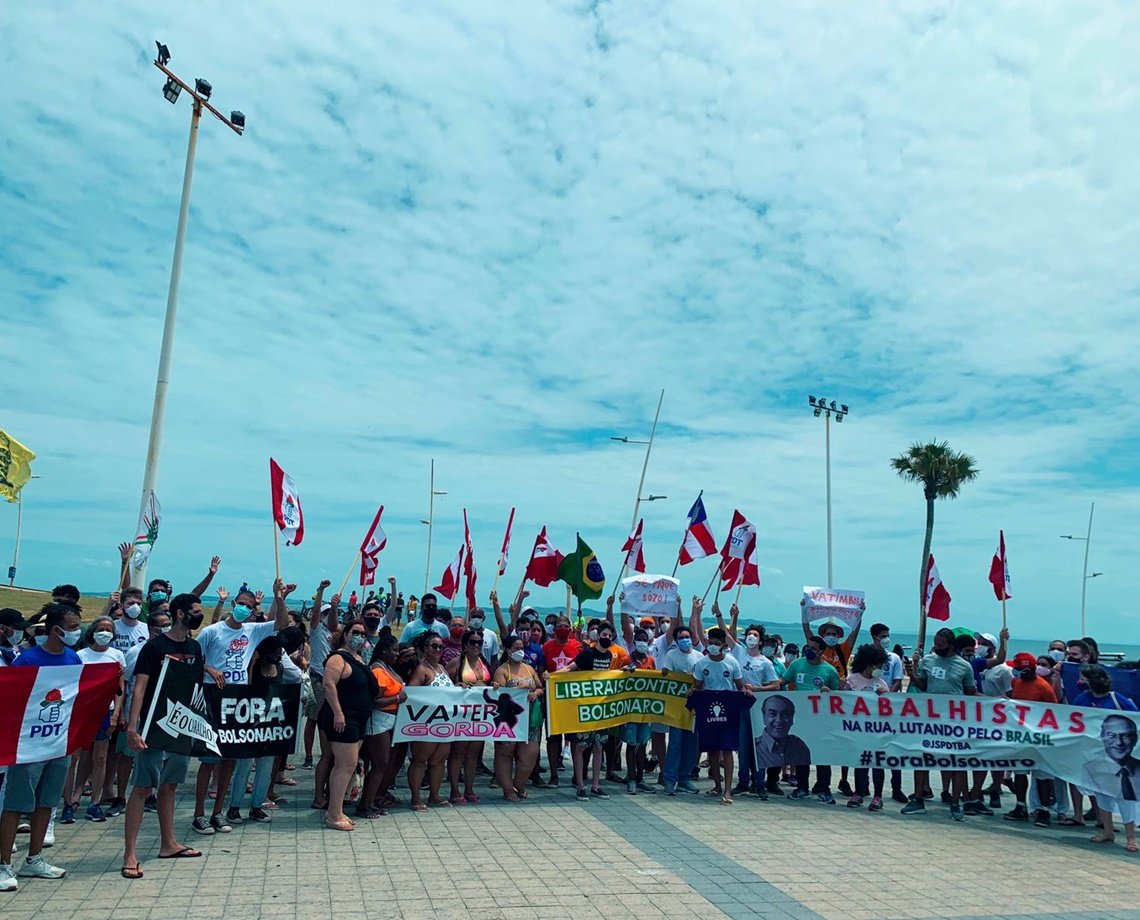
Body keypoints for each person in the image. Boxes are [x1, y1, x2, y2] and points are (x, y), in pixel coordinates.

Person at [190, 579, 292, 835]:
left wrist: (278, 598)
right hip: (214, 699)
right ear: (234, 604)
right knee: (209, 759)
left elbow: (280, 624)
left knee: (230, 760)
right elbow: (193, 659)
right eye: (241, 605)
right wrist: (209, 668)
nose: (244, 610)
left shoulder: (252, 630)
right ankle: (199, 813)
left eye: (249, 606)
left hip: (238, 702)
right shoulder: (212, 632)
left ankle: (218, 813)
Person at [121, 593, 207, 879]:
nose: (199, 614)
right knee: (143, 786)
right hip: (153, 724)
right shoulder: (154, 647)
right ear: (181, 613)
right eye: (195, 610)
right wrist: (133, 727)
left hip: (182, 725)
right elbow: (141, 686)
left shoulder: (195, 647)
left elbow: (193, 685)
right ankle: (130, 853)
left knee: (170, 784)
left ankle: (168, 843)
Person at [1, 604, 83, 891]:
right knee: (16, 804)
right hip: (28, 745)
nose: (77, 631)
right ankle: (3, 863)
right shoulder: (27, 660)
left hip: (57, 744)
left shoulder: (73, 658)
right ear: (56, 629)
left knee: (46, 802)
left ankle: (34, 858)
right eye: (72, 626)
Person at [902, 627, 976, 820]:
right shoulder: (928, 660)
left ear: (951, 646)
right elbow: (923, 686)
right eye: (935, 644)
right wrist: (912, 674)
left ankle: (955, 803)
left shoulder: (964, 666)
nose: (936, 647)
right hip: (930, 719)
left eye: (940, 645)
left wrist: (995, 702)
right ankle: (918, 799)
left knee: (956, 761)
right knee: (923, 756)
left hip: (954, 721)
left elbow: (970, 693)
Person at [63, 617, 125, 824]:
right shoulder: (80, 656)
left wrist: (116, 713)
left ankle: (95, 803)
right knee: (74, 758)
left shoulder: (117, 655)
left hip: (104, 713)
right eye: (101, 629)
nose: (105, 633)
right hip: (80, 713)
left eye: (109, 630)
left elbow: (119, 688)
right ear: (93, 631)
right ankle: (69, 802)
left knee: (101, 758)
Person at [318, 620, 378, 831]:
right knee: (346, 765)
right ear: (345, 634)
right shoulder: (337, 658)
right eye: (355, 632)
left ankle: (337, 809)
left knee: (345, 766)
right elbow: (328, 685)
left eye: (363, 634)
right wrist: (338, 712)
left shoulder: (359, 658)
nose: (360, 637)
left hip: (359, 718)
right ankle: (333, 814)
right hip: (343, 718)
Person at [225, 635, 287, 826]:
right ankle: (234, 806)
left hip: (270, 723)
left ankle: (257, 805)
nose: (278, 656)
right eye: (275, 652)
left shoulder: (280, 668)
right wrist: (251, 664)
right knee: (244, 765)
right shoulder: (254, 665)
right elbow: (247, 688)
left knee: (265, 767)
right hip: (250, 721)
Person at [689, 626, 752, 804]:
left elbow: (739, 685)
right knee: (712, 751)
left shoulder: (732, 662)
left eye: (717, 644)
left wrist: (745, 690)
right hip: (709, 709)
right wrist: (692, 691)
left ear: (724, 645)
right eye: (711, 643)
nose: (713, 646)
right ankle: (717, 784)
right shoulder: (702, 663)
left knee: (728, 748)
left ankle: (727, 790)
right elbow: (698, 686)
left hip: (728, 710)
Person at [565, 620, 621, 801]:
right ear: (597, 636)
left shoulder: (609, 656)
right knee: (581, 746)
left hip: (601, 709)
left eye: (609, 636)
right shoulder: (587, 653)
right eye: (603, 635)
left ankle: (596, 785)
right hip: (585, 707)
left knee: (599, 746)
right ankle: (581, 785)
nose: (606, 638)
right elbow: (571, 668)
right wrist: (553, 675)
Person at [780, 635, 839, 803]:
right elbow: (782, 681)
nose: (809, 651)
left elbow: (838, 698)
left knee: (822, 756)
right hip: (801, 718)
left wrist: (829, 692)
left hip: (821, 721)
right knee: (801, 755)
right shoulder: (797, 665)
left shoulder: (829, 671)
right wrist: (759, 688)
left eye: (813, 648)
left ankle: (824, 789)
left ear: (821, 651)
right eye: (807, 647)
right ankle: (802, 787)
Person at [356, 630, 405, 819]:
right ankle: (365, 805)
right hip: (378, 720)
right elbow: (375, 701)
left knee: (382, 764)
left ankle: (370, 802)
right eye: (394, 650)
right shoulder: (377, 670)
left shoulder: (386, 667)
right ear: (384, 650)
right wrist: (398, 698)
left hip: (389, 720)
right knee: (380, 764)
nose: (397, 654)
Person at [729, 623, 780, 798]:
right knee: (743, 747)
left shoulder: (765, 663)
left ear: (760, 641)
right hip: (741, 707)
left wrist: (758, 689)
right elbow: (729, 634)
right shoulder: (739, 652)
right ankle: (743, 782)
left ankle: (759, 783)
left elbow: (775, 684)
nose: (751, 637)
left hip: (758, 709)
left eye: (755, 635)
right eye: (749, 634)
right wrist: (729, 616)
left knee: (760, 747)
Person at [491, 634, 544, 802]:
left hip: (530, 718)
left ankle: (519, 784)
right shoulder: (502, 671)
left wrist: (535, 692)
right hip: (509, 720)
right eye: (516, 648)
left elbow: (541, 688)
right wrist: (516, 688)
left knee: (530, 754)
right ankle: (508, 789)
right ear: (508, 650)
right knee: (505, 754)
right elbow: (498, 693)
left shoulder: (529, 668)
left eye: (522, 648)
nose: (520, 651)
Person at [406, 632, 453, 811]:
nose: (438, 650)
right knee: (420, 760)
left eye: (441, 647)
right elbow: (412, 692)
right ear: (425, 649)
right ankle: (416, 797)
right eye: (434, 646)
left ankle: (434, 794)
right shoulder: (422, 669)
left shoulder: (442, 668)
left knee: (439, 761)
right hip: (426, 723)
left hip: (444, 723)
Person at [661, 612, 705, 796]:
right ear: (676, 640)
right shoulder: (671, 655)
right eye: (681, 638)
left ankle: (684, 778)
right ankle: (669, 780)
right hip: (676, 708)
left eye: (687, 637)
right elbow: (666, 674)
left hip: (693, 709)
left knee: (690, 744)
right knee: (675, 743)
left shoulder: (699, 657)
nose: (684, 640)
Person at [1082, 710, 1140, 851]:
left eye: (1125, 736)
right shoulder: (1091, 767)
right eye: (1111, 736)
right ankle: (1108, 831)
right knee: (1102, 797)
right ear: (1102, 737)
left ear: (1135, 738)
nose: (1118, 742)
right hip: (1101, 769)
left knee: (1127, 803)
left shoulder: (1138, 768)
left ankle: (1130, 837)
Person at [841, 644, 890, 809]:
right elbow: (842, 700)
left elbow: (889, 707)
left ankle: (877, 796)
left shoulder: (881, 683)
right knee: (860, 762)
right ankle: (858, 792)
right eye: (876, 664)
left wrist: (885, 695)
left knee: (877, 763)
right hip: (857, 729)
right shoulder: (852, 680)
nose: (878, 668)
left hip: (877, 731)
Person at [446, 628, 491, 805]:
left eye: (479, 642)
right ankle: (455, 789)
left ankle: (470, 789)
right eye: (472, 642)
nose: (476, 645)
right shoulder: (456, 663)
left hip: (480, 714)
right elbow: (443, 684)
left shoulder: (484, 662)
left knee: (473, 753)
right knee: (458, 752)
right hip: (462, 714)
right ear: (465, 644)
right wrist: (456, 685)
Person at [541, 616, 581, 788]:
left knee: (574, 738)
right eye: (560, 625)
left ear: (571, 628)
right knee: (553, 738)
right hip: (552, 699)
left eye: (566, 626)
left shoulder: (577, 646)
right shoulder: (547, 646)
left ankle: (577, 775)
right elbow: (542, 669)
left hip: (572, 699)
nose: (563, 628)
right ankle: (554, 774)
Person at [303, 581, 337, 770]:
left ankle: (328, 753)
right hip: (318, 678)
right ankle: (308, 755)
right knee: (313, 719)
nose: (326, 616)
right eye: (325, 613)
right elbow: (314, 613)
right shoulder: (316, 630)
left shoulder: (335, 632)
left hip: (332, 680)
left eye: (328, 613)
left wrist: (335, 607)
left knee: (329, 719)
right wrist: (321, 591)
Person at [754, 696, 812, 769]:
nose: (779, 720)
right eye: (773, 714)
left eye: (785, 714)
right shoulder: (755, 748)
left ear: (792, 718)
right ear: (764, 717)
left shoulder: (801, 748)